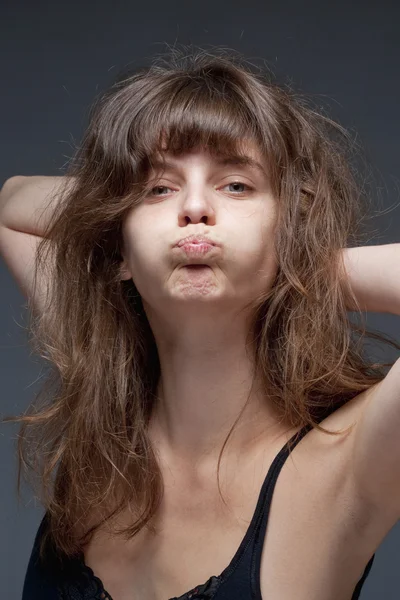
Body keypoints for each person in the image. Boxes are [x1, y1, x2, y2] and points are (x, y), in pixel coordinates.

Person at [2, 45, 395, 599]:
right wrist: (118, 222)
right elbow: (12, 207)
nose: (193, 208)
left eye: (235, 184)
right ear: (116, 245)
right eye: (158, 188)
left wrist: (296, 264)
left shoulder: (345, 461)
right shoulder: (106, 431)